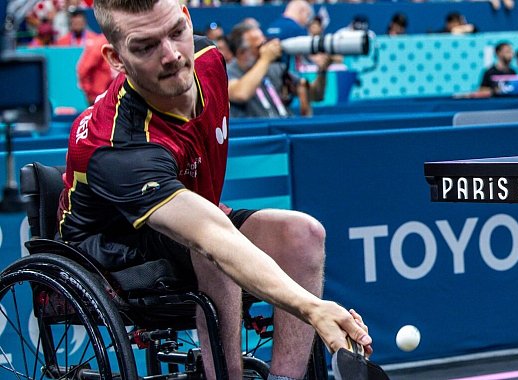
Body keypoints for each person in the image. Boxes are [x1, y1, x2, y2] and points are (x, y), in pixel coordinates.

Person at [62, 0, 371, 379]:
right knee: (213, 252)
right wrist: (312, 307)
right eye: (145, 47)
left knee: (303, 234)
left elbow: (210, 226)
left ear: (188, 19)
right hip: (112, 250)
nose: (172, 56)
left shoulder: (209, 58)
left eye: (177, 32)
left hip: (188, 219)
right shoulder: (118, 145)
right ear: (116, 57)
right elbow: (211, 237)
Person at [225, 21, 329, 117]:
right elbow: (241, 94)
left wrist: (322, 71)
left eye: (265, 43)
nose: (265, 49)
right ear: (242, 53)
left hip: (284, 129)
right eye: (259, 46)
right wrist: (265, 59)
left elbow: (316, 95)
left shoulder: (274, 68)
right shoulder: (228, 72)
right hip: (257, 133)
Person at [76, 33, 114, 105]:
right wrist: (89, 92)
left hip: (111, 95)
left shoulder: (118, 42)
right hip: (98, 96)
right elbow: (84, 69)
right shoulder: (100, 44)